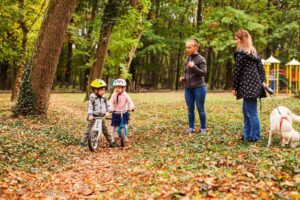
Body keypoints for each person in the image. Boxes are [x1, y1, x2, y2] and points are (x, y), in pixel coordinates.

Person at [232, 29, 267, 142]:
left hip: (247, 86)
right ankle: (247, 135)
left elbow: (237, 72)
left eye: (236, 39)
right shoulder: (254, 52)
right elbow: (261, 69)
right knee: (246, 111)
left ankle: (255, 137)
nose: (235, 41)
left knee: (251, 112)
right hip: (254, 85)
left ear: (242, 40)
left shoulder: (241, 54)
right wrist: (262, 81)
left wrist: (234, 87)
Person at [180, 39, 207, 134]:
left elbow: (203, 73)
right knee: (190, 108)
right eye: (186, 48)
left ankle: (203, 128)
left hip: (199, 88)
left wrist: (194, 67)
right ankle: (191, 128)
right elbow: (188, 73)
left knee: (200, 108)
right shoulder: (187, 59)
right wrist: (184, 78)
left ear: (196, 47)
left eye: (189, 47)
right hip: (188, 88)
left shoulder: (201, 59)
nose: (187, 49)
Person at [80, 79, 118, 147]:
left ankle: (111, 142)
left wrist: (107, 111)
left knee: (105, 130)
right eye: (101, 90)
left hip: (101, 117)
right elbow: (90, 107)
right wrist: (90, 115)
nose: (103, 92)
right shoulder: (92, 98)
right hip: (94, 117)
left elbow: (108, 105)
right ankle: (82, 142)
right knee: (88, 130)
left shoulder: (104, 98)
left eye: (104, 90)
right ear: (95, 90)